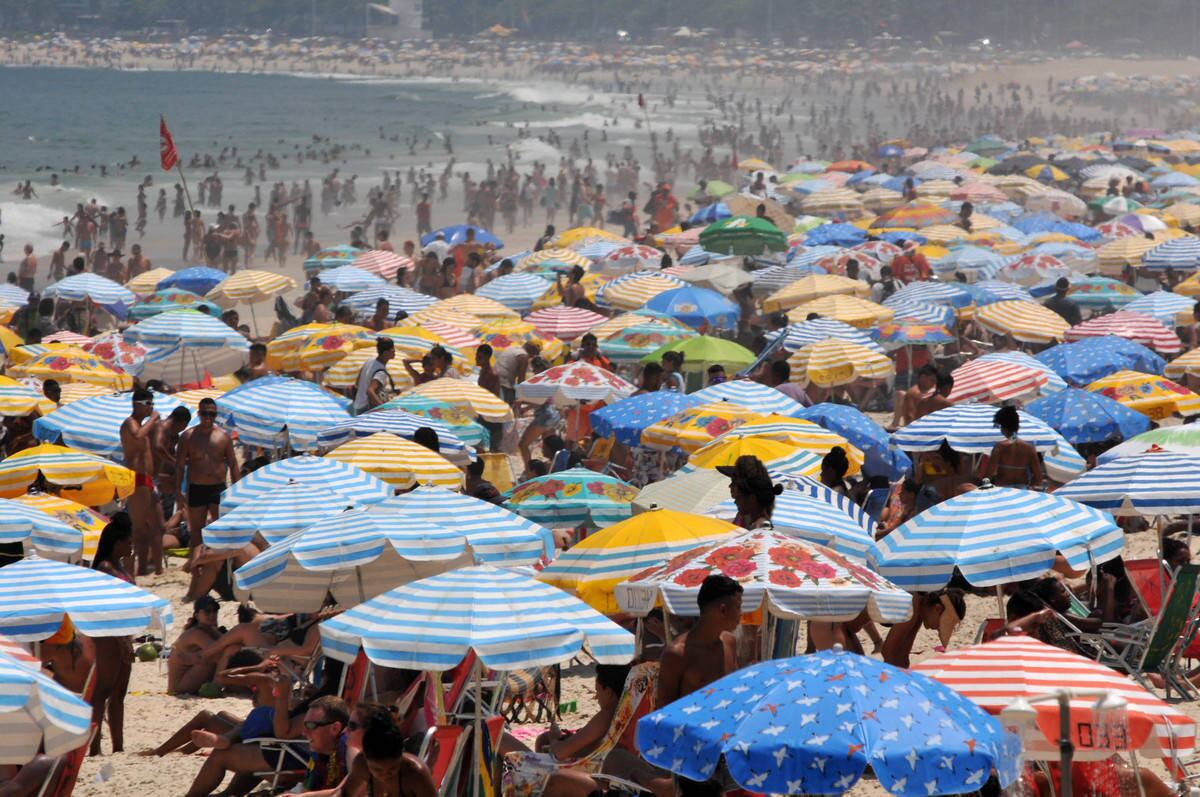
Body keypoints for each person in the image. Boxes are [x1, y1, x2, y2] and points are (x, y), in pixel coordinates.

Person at [658, 574, 742, 709]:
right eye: (738, 607)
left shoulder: (729, 642)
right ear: (722, 610)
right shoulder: (677, 654)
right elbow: (663, 711)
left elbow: (734, 691)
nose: (741, 614)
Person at [89, 513, 136, 755]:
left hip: (123, 632)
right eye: (128, 542)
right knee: (103, 691)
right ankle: (94, 747)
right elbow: (107, 608)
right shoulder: (105, 569)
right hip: (108, 634)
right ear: (117, 542)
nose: (131, 546)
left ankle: (118, 747)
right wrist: (122, 640)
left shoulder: (119, 566)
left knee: (119, 693)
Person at [176, 397, 240, 550]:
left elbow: (233, 463)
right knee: (196, 531)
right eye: (205, 413)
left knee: (220, 529)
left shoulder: (223, 436)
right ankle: (196, 565)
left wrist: (238, 490)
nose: (208, 418)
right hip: (196, 487)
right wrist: (178, 492)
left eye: (212, 414)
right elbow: (179, 465)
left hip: (218, 488)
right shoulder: (188, 437)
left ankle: (217, 566)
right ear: (198, 413)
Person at [333, 706, 437, 797]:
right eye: (377, 770)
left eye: (393, 768)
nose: (385, 775)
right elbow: (343, 794)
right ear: (366, 760)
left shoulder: (415, 773)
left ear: (401, 758)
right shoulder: (361, 764)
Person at [120, 387, 162, 576]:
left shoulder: (143, 425)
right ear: (137, 404)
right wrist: (153, 419)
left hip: (147, 479)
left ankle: (150, 568)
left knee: (153, 526)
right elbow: (137, 435)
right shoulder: (130, 423)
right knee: (137, 529)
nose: (151, 408)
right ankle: (131, 571)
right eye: (148, 404)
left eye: (152, 404)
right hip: (136, 479)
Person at [881, 590, 966, 668]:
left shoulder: (920, 609)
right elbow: (888, 651)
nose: (938, 629)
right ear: (937, 609)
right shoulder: (912, 604)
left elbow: (903, 655)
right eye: (943, 624)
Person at [168, 596, 225, 695]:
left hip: (186, 681)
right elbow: (218, 650)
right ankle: (217, 686)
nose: (212, 614)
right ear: (197, 615)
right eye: (207, 611)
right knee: (217, 658)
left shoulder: (209, 629)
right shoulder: (195, 633)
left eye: (215, 611)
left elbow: (225, 642)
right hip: (178, 688)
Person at [983, 405, 1043, 488]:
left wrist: (984, 489)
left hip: (1003, 490)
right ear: (1018, 427)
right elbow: (1038, 477)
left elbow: (988, 474)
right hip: (1022, 492)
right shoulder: (1030, 448)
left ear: (1002, 428)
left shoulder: (1000, 447)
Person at [715, 455, 781, 529]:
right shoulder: (743, 515)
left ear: (752, 498)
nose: (730, 486)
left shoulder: (762, 527)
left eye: (734, 482)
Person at [353, 337, 396, 414]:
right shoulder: (381, 372)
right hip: (367, 408)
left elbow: (357, 383)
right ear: (386, 353)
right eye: (392, 350)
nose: (394, 352)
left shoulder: (368, 362)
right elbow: (370, 391)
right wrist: (383, 407)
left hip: (358, 405)